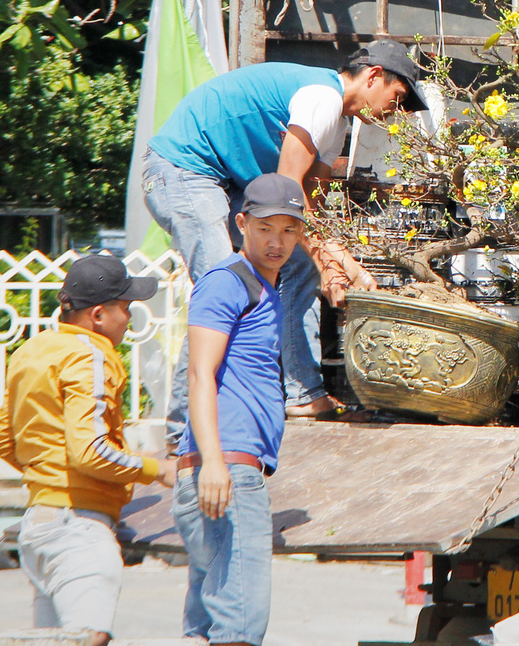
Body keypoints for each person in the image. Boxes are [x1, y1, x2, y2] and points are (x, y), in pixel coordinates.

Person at [141, 42, 424, 425]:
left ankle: (304, 394)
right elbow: (289, 189)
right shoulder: (322, 98)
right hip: (183, 170)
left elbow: (312, 203)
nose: (397, 111)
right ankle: (182, 430)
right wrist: (330, 261)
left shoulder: (337, 124)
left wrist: (340, 264)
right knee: (221, 287)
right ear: (374, 76)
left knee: (300, 265)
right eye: (398, 96)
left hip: (225, 183)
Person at [0, 253, 172, 646]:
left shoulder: (31, 351)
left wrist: (49, 472)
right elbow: (89, 451)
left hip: (38, 526)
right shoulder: (90, 354)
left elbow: (3, 441)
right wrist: (157, 469)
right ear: (98, 315)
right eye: (124, 308)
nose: (128, 318)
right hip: (79, 529)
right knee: (85, 642)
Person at [173, 173, 303, 646]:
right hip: (225, 470)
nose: (277, 241)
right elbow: (199, 375)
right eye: (265, 228)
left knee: (210, 619)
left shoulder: (263, 285)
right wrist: (217, 462)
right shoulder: (228, 280)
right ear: (240, 224)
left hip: (224, 467)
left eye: (289, 230)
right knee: (237, 616)